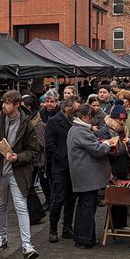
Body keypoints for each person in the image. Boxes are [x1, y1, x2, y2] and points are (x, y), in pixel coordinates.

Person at [0, 91, 42, 259]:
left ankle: (27, 245)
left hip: (18, 171)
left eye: (7, 103)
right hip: (0, 170)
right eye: (3, 102)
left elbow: (34, 150)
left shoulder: (27, 124)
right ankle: (2, 238)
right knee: (0, 205)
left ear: (17, 104)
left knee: (21, 206)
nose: (3, 106)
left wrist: (18, 157)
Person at [66, 103, 119, 248]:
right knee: (88, 207)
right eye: (90, 118)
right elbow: (97, 150)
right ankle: (85, 239)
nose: (92, 121)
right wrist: (107, 143)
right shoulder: (81, 131)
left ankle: (81, 237)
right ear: (84, 117)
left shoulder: (74, 129)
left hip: (81, 175)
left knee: (83, 206)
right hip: (87, 176)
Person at [45, 98, 77, 242]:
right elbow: (49, 144)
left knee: (71, 198)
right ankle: (53, 228)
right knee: (58, 198)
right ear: (66, 108)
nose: (75, 111)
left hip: (73, 166)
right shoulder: (54, 121)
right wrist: (60, 157)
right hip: (60, 166)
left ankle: (67, 227)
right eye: (73, 108)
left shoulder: (74, 121)